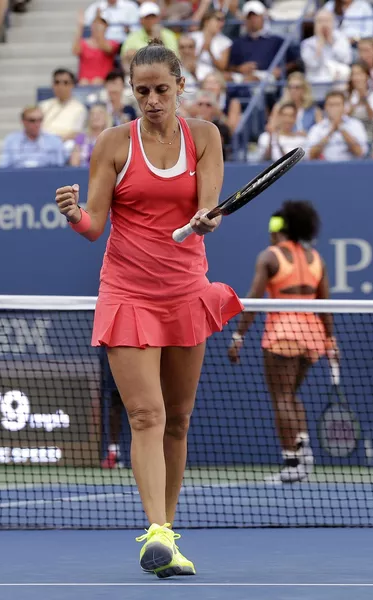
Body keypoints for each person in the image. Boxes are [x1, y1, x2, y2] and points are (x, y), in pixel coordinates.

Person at [54, 39, 244, 578]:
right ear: (131, 92)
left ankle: (170, 532)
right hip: (128, 293)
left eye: (162, 89)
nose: (153, 99)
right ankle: (155, 535)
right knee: (146, 415)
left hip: (185, 291)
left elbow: (209, 205)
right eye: (143, 91)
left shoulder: (204, 136)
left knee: (178, 420)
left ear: (181, 88)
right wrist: (73, 215)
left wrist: (207, 218)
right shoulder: (113, 143)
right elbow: (94, 227)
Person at [227, 201, 337, 484]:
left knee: (281, 398)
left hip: (283, 334)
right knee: (291, 394)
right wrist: (330, 340)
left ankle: (291, 461)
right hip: (312, 335)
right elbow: (324, 305)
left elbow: (252, 299)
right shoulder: (316, 258)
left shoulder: (270, 256)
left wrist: (238, 336)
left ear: (280, 228)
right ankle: (303, 449)